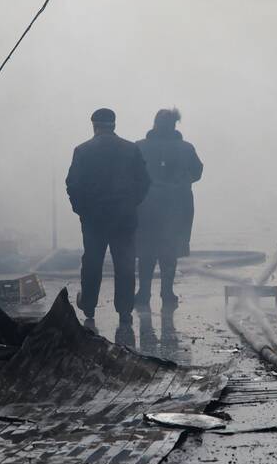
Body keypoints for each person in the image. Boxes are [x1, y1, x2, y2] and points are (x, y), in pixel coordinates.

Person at [66, 108, 150, 322]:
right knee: (125, 262)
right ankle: (124, 310)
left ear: (94, 125)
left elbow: (73, 184)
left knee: (93, 262)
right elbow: (144, 181)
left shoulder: (83, 151)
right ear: (114, 125)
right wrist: (132, 203)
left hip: (94, 218)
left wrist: (81, 210)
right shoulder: (131, 149)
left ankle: (89, 306)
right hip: (124, 217)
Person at [135, 108, 203, 310]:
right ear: (174, 126)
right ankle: (167, 292)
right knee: (169, 249)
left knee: (146, 250)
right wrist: (181, 183)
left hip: (147, 207)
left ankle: (144, 292)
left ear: (155, 124)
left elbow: (131, 173)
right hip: (177, 206)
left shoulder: (140, 147)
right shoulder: (186, 148)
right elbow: (197, 172)